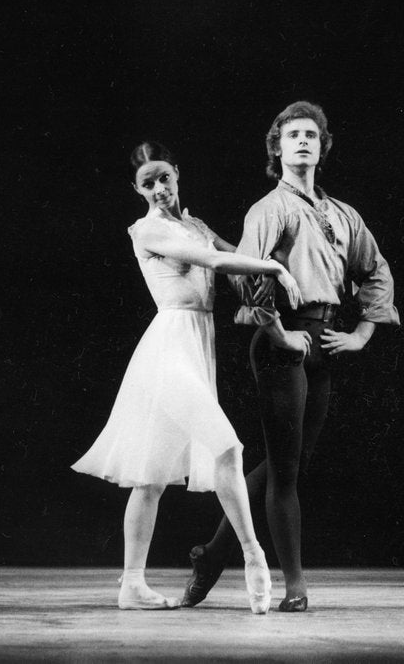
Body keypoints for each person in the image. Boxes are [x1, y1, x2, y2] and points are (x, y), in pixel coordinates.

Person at [181, 101, 399, 613]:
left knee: (290, 462)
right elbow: (247, 271)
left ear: (323, 147)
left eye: (311, 135)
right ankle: (295, 586)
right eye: (293, 134)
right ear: (277, 148)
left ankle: (212, 556)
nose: (303, 141)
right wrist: (278, 333)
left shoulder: (343, 213)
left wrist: (362, 332)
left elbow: (376, 270)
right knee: (284, 472)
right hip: (283, 343)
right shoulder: (270, 208)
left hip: (323, 340)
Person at [72, 141, 302, 614]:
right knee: (227, 448)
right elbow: (214, 262)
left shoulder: (194, 225)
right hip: (169, 348)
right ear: (137, 190)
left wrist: (279, 255)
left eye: (164, 178)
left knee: (151, 478)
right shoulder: (148, 230)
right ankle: (254, 557)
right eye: (148, 183)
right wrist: (274, 267)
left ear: (177, 173)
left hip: (197, 345)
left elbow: (236, 256)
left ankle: (132, 585)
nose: (159, 188)